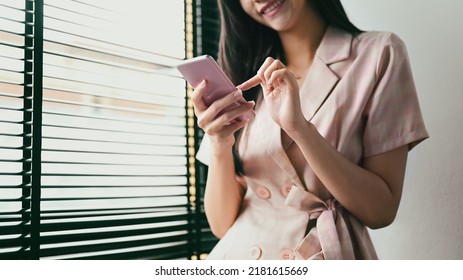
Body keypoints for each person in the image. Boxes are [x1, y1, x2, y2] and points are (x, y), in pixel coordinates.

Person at [192, 0, 429, 260]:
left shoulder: (380, 53)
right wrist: (218, 143)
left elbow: (381, 211)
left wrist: (301, 130)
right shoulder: (239, 75)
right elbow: (221, 225)